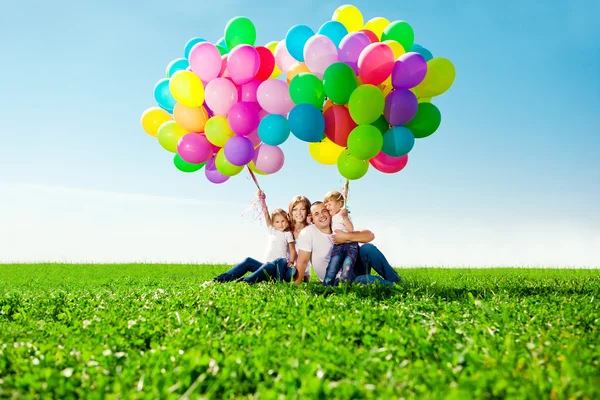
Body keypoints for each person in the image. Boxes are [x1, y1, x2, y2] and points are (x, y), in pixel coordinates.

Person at [209, 193, 310, 284]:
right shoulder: (284, 229)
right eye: (295, 209)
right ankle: (217, 281)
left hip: (287, 271)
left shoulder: (310, 230)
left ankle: (251, 281)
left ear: (307, 211)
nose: (299, 213)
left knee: (283, 262)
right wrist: (263, 201)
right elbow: (267, 216)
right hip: (271, 267)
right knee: (250, 261)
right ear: (290, 213)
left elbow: (297, 254)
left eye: (303, 209)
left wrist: (304, 274)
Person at [294, 201, 401, 286]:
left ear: (329, 213)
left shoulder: (338, 224)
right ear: (312, 219)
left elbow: (370, 235)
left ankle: (396, 281)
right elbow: (302, 261)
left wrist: (345, 237)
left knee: (367, 248)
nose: (321, 215)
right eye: (316, 214)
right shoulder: (308, 233)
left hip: (353, 267)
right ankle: (394, 287)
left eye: (324, 211)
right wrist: (296, 284)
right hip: (337, 280)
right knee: (364, 280)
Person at [322, 191, 358, 286]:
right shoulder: (331, 217)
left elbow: (351, 229)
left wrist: (345, 217)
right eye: (326, 205)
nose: (327, 207)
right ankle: (327, 285)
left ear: (339, 204)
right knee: (332, 267)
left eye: (329, 204)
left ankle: (344, 285)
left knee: (347, 266)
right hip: (337, 246)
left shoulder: (343, 215)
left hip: (350, 245)